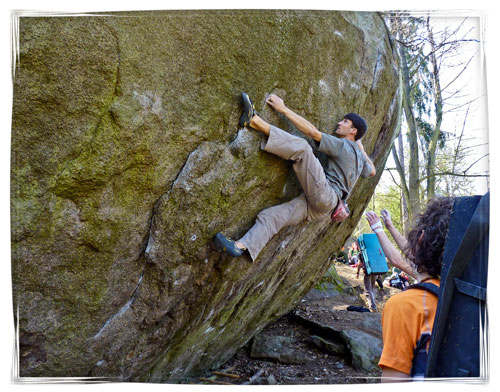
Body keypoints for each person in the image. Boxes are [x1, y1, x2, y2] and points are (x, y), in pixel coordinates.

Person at [213, 92, 376, 261]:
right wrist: (362, 150)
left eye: (345, 122)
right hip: (323, 209)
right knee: (273, 216)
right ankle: (240, 246)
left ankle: (253, 120)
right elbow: (372, 172)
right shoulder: (360, 160)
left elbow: (313, 132)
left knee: (303, 148)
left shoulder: (343, 145)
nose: (339, 123)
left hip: (326, 195)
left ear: (353, 131)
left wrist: (283, 109)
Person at [365, 197, 454, 381]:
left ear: (420, 239)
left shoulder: (408, 305)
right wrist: (388, 226)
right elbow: (409, 253)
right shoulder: (469, 296)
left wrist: (378, 229)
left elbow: (400, 259)